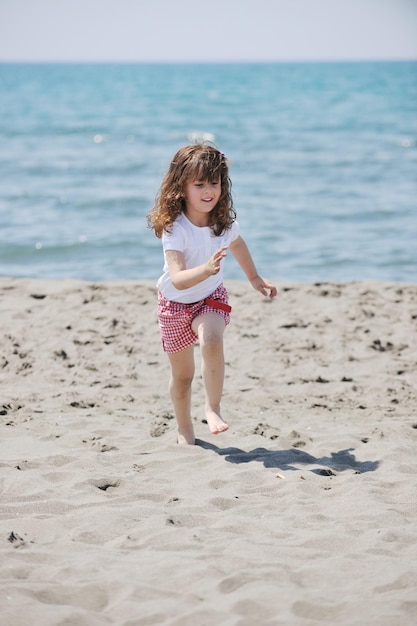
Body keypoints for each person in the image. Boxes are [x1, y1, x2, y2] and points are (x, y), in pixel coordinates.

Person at [147, 143, 277, 445]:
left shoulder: (222, 223)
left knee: (212, 339)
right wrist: (205, 269)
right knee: (182, 376)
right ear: (181, 187)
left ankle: (212, 408)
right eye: (200, 184)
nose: (209, 191)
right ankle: (184, 429)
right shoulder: (174, 228)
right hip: (174, 305)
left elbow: (239, 244)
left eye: (215, 183)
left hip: (209, 299)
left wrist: (254, 278)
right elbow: (178, 279)